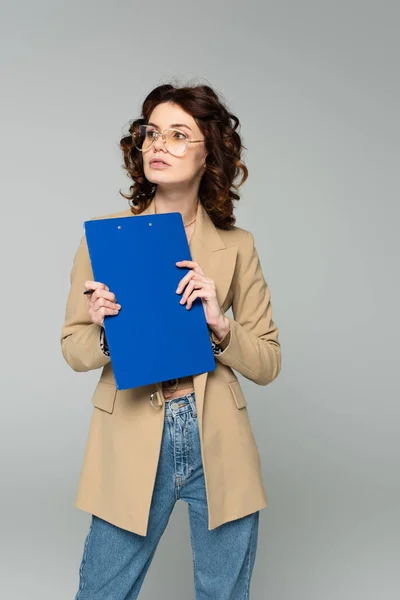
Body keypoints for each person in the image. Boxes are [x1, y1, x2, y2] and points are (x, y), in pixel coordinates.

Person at [61, 82, 282, 600]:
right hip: (133, 428)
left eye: (179, 134)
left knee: (224, 593)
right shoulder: (106, 238)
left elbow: (269, 360)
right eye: (152, 133)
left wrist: (222, 329)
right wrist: (104, 330)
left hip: (217, 435)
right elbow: (73, 347)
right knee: (102, 590)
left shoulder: (236, 246)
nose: (159, 144)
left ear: (211, 155)